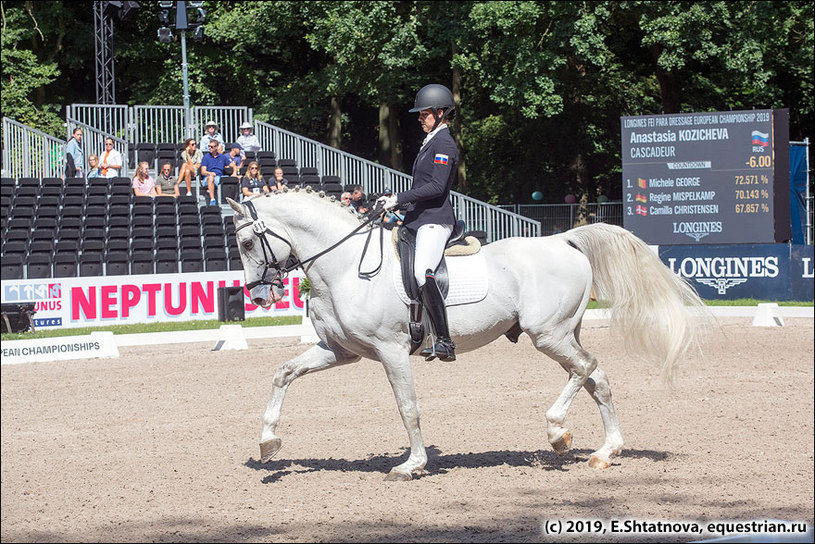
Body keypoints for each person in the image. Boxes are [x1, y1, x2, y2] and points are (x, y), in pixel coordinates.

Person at [378, 83, 459, 362]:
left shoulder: (444, 143)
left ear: (439, 113)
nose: (420, 119)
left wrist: (400, 197)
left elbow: (437, 187)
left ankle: (445, 341)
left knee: (421, 270)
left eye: (424, 114)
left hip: (436, 220)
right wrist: (398, 203)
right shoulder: (430, 141)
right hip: (419, 217)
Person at [200, 139, 230, 206]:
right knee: (211, 178)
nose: (210, 148)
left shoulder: (222, 157)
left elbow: (232, 165)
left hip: (219, 177)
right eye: (209, 146)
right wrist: (210, 173)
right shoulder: (206, 157)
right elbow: (203, 171)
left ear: (216, 147)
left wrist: (234, 172)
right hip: (207, 178)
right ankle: (212, 199)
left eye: (212, 147)